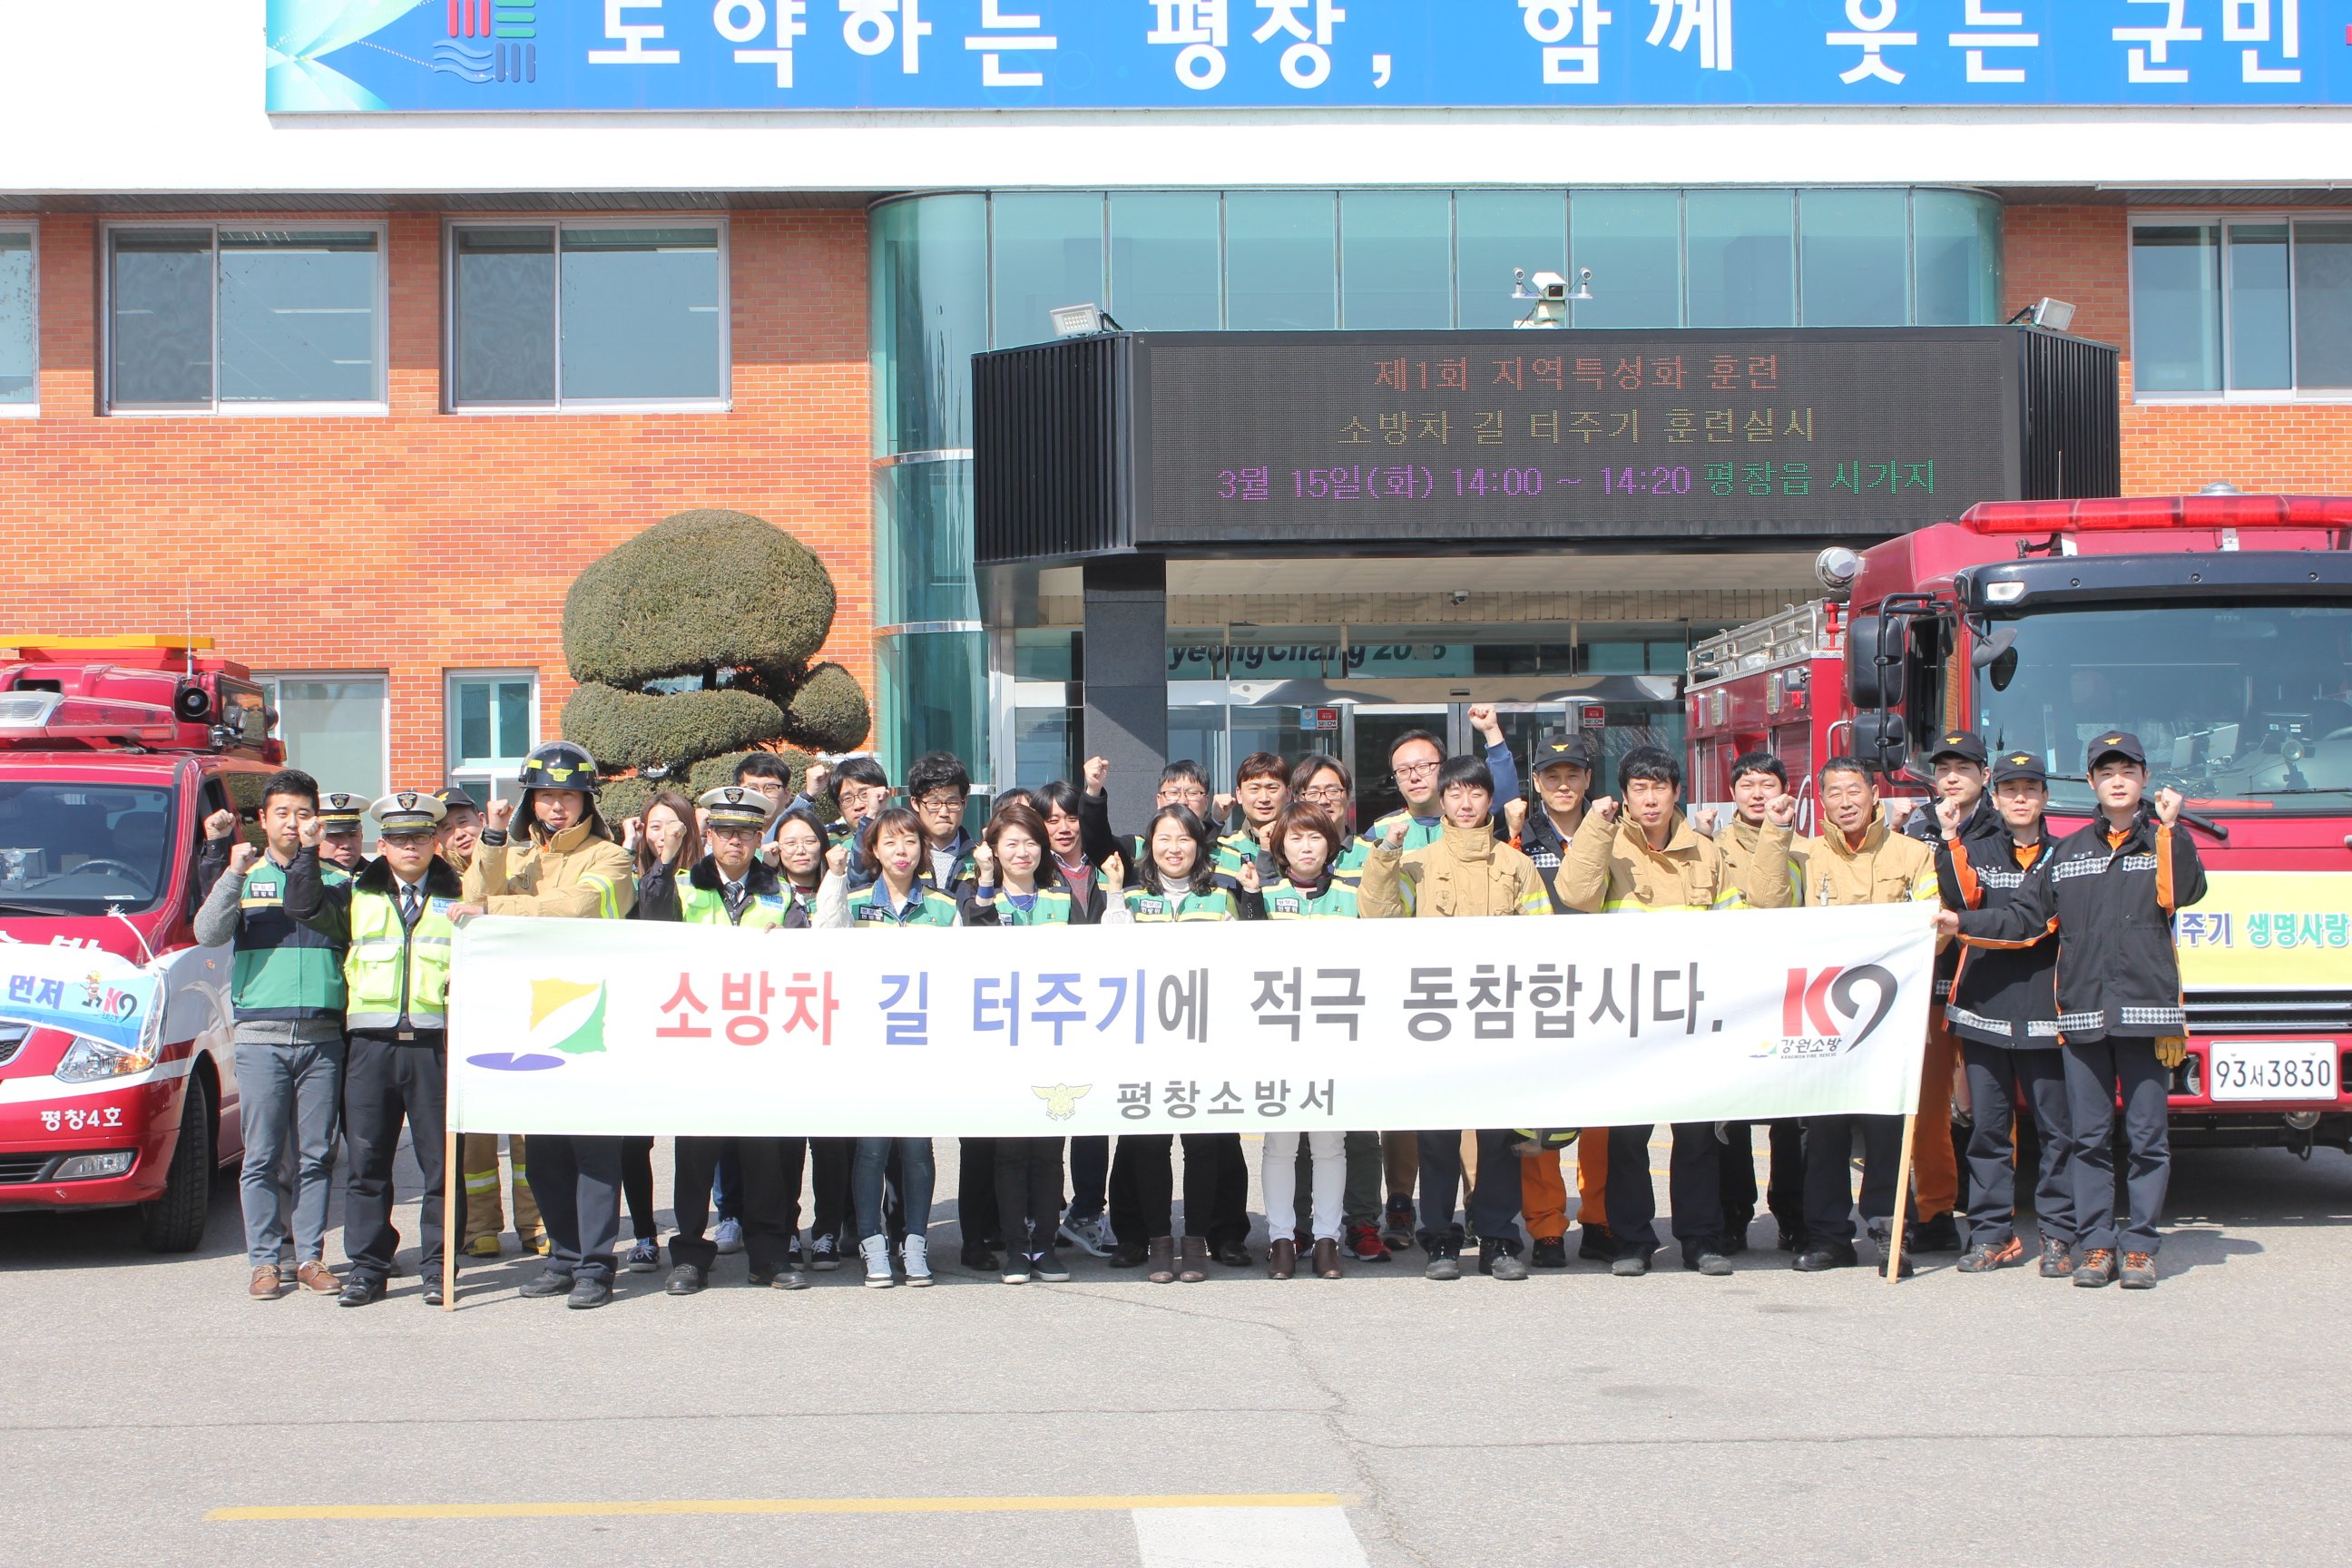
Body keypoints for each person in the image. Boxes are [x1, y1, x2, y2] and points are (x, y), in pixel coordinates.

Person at [1938, 732, 2206, 1291]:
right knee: (2087, 1139)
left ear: (2144, 778)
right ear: (2089, 782)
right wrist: (1962, 923)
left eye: (2127, 771)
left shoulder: (2161, 840)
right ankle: (2098, 1245)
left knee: (2147, 1139)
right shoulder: (2068, 854)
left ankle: (2140, 1248)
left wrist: (2172, 829)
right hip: (2081, 1018)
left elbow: (2183, 892)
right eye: (2106, 772)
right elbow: (2023, 919)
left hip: (2147, 1016)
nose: (2117, 781)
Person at [1556, 745, 1768, 1279]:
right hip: (1628, 1016)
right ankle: (1632, 1241)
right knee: (1627, 1138)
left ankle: (1701, 1239)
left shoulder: (1707, 852)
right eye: (1639, 789)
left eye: (1659, 788)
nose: (1650, 799)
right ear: (1624, 796)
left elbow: (1737, 926)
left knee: (1697, 1137)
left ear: (1677, 792)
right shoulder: (1605, 842)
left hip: (1694, 1017)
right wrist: (1596, 828)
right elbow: (1575, 895)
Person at [1748, 758, 1945, 1278]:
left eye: (1854, 790)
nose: (1845, 801)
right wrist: (1776, 830)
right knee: (1825, 1133)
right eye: (1833, 793)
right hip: (1823, 1017)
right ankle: (1828, 1237)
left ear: (1874, 794)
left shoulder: (1913, 854)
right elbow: (1765, 902)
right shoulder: (1803, 853)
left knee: (1886, 1130)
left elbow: (1934, 930)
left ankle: (1889, 1231)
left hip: (1890, 1017)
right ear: (1822, 802)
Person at [1359, 754, 1551, 1282]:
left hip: (1498, 1018)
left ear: (1491, 799)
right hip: (1437, 1020)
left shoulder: (1517, 866)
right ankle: (1440, 1239)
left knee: (1499, 1137)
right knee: (1438, 1137)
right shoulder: (1416, 863)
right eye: (1456, 794)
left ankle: (1499, 1240)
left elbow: (1545, 944)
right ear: (1441, 799)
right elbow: (1377, 915)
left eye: (1476, 793)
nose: (1466, 804)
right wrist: (1386, 854)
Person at [284, 790, 475, 1308]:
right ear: (382, 846)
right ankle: (369, 1269)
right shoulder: (355, 894)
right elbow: (301, 905)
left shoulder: (462, 895)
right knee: (367, 1165)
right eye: (398, 838)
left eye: (420, 837)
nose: (410, 846)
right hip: (370, 1047)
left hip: (436, 1046)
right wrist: (307, 852)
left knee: (442, 1167)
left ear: (435, 842)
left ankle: (439, 1267)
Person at [466, 740, 639, 1308]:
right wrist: (493, 841)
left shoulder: (611, 857)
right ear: (530, 801)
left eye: (568, 796)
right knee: (542, 1153)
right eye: (544, 796)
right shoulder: (514, 855)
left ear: (588, 801)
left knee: (593, 1152)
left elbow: (578, 907)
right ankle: (562, 1258)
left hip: (591, 1014)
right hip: (525, 1016)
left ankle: (596, 1266)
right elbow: (472, 903)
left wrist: (498, 908)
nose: (556, 806)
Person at [636, 785, 808, 1294]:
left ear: (760, 838)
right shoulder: (680, 885)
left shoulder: (781, 893)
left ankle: (769, 1256)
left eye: (747, 832)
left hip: (761, 1047)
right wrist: (664, 862)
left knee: (765, 1158)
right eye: (726, 831)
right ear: (708, 835)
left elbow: (805, 954)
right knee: (695, 1158)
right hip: (700, 1047)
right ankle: (690, 1256)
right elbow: (653, 927)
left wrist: (792, 944)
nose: (736, 841)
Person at [191, 769, 349, 1301]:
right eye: (282, 813)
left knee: (316, 1155)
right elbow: (208, 933)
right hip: (261, 1036)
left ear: (316, 820)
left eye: (303, 813)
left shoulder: (337, 878)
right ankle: (264, 1262)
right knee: (259, 1155)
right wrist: (232, 872)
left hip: (322, 1035)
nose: (292, 823)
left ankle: (309, 1257)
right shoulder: (245, 873)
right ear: (262, 820)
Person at [818, 806, 981, 1285]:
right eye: (889, 842)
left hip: (921, 1049)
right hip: (869, 1049)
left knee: (917, 1150)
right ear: (873, 850)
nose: (901, 851)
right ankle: (872, 1244)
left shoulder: (943, 906)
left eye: (910, 841)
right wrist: (834, 877)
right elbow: (825, 941)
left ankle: (914, 1243)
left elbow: (960, 973)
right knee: (871, 1149)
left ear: (923, 848)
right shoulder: (854, 900)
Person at [969, 800, 1131, 1284]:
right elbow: (973, 955)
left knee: (1047, 1153)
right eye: (1011, 844)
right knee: (1008, 1154)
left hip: (1056, 1044)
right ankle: (1016, 1250)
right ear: (993, 850)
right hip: (1001, 1046)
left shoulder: (1061, 899)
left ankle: (1044, 1245)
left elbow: (1092, 958)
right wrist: (984, 882)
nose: (1022, 852)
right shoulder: (979, 900)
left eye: (1030, 843)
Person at [1935, 750, 2074, 1278]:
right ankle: (1992, 1235)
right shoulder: (1970, 848)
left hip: (2045, 1012)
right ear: (1995, 797)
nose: (2020, 798)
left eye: (2030, 789)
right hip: (1982, 1010)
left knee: (2057, 1134)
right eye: (2011, 790)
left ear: (2045, 797)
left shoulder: (2065, 855)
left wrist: (1967, 923)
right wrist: (1950, 837)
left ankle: (2059, 1236)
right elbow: (1956, 899)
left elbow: (2031, 924)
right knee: (1988, 1132)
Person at [1109, 803, 1262, 1284]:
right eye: (1164, 839)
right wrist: (1114, 895)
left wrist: (1252, 897)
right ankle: (1156, 1241)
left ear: (1200, 845)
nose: (1174, 848)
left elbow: (1252, 956)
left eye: (1184, 839)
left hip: (1207, 1041)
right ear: (1149, 846)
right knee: (1146, 1144)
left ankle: (1197, 1241)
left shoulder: (1221, 896)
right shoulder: (1132, 896)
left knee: (1206, 1144)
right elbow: (1108, 955)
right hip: (1146, 1044)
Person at [1896, 729, 1999, 1253]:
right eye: (1943, 769)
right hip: (1930, 985)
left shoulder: (2007, 827)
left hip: (1990, 985)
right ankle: (1935, 1212)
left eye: (1963, 768)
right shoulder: (1916, 827)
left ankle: (1993, 1220)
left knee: (1992, 1110)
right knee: (1929, 1108)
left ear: (1985, 774)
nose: (1952, 778)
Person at [1287, 755, 1393, 1263]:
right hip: (1289, 1021)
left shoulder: (1370, 857)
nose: (1324, 800)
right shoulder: (1275, 870)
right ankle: (1302, 1225)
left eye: (1332, 790)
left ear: (1348, 798)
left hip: (1351, 1019)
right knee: (1301, 1133)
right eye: (1312, 792)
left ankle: (1363, 1222)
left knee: (1359, 1131)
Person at [438, 783, 547, 1262]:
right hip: (467, 1015)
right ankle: (481, 1226)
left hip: (518, 1007)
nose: (457, 833)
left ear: (481, 822)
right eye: (446, 828)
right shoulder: (435, 878)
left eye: (463, 821)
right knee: (476, 1134)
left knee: (525, 1129)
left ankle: (536, 1222)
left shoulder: (517, 860)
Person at [1706, 751, 1808, 1256]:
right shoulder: (1710, 849)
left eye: (1767, 784)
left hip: (1790, 996)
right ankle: (1733, 1216)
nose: (1757, 794)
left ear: (1784, 791)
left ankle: (1793, 1214)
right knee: (1731, 1117)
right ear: (1733, 793)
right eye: (1747, 785)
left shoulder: (1808, 850)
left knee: (1792, 1117)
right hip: (1730, 996)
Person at [1505, 731, 1598, 1269]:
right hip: (1537, 994)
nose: (1563, 786)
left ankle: (1601, 1219)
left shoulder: (1613, 832)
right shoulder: (1517, 835)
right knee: (1537, 1123)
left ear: (1587, 779)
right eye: (1552, 777)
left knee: (1601, 1117)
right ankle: (1546, 1228)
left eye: (1573, 775)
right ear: (1537, 783)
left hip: (1601, 993)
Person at [1254, 801, 1356, 1281]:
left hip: (1334, 1038)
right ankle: (1281, 1238)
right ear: (1280, 847)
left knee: (1330, 1144)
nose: (1306, 846)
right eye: (1295, 838)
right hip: (1278, 1041)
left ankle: (1327, 1240)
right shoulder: (1262, 896)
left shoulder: (1353, 896)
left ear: (1330, 844)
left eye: (1315, 836)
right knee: (1280, 1144)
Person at [1028, 779, 1118, 1259]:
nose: (1063, 827)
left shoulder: (1110, 868)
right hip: (1048, 1011)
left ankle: (1086, 1212)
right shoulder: (1034, 874)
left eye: (1071, 817)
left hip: (1099, 1011)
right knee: (1045, 1116)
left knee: (1091, 1116)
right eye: (1051, 819)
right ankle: (1040, 1213)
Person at [619, 790, 704, 1273]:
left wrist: (668, 863)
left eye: (673, 825)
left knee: (696, 1138)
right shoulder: (627, 877)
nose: (663, 834)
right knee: (634, 1141)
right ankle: (644, 1234)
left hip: (694, 1020)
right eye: (654, 826)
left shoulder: (700, 880)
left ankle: (699, 1236)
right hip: (641, 1023)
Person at [315, 791, 367, 871]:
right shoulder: (302, 876)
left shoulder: (379, 875)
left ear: (361, 836)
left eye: (352, 835)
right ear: (315, 838)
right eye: (335, 835)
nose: (346, 845)